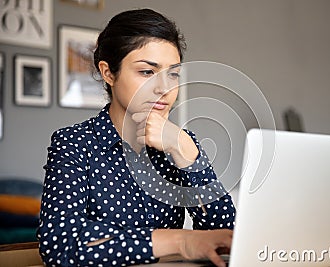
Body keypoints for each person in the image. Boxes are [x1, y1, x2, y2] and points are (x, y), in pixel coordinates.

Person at [37, 8, 236, 267]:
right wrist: (180, 241)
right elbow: (60, 245)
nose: (164, 88)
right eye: (146, 72)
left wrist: (189, 156)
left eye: (173, 74)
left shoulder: (180, 142)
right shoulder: (74, 143)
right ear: (109, 73)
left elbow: (225, 238)